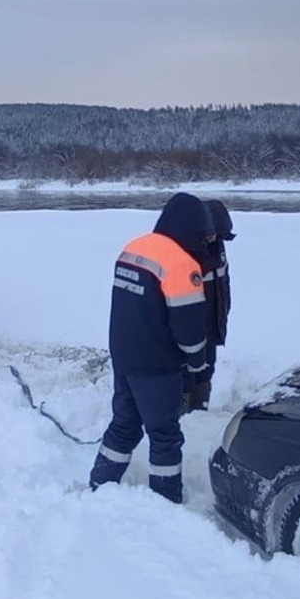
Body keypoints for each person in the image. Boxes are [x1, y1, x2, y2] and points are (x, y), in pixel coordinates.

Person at [89, 192, 214, 504]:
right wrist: (198, 364)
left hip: (124, 355)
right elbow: (189, 331)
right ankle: (165, 501)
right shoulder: (182, 265)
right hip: (157, 365)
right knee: (165, 436)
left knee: (124, 425)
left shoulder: (134, 247)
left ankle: (99, 485)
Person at [184, 199, 234, 412]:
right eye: (211, 233)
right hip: (189, 330)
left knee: (206, 370)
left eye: (218, 234)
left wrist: (223, 315)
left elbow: (224, 284)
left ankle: (200, 410)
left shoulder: (218, 248)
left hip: (212, 325)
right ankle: (181, 413)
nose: (214, 238)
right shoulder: (186, 252)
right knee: (186, 374)